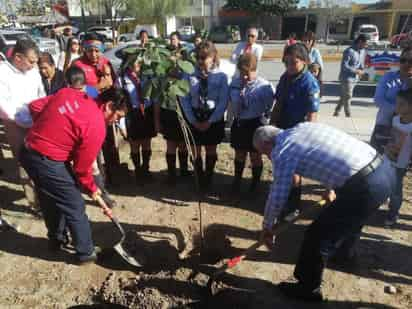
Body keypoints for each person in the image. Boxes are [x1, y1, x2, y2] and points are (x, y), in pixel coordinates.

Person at [253, 123, 395, 302]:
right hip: (384, 172)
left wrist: (267, 226)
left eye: (264, 153)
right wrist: (331, 187)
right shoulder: (303, 127)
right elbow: (329, 154)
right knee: (351, 219)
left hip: (365, 185)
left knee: (317, 236)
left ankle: (308, 288)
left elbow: (278, 193)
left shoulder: (283, 151)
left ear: (267, 143)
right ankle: (344, 255)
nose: (268, 157)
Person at [19, 67, 128, 264]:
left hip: (28, 152)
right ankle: (86, 253)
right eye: (118, 117)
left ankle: (57, 239)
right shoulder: (96, 125)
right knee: (74, 203)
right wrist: (93, 189)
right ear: (109, 106)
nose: (116, 122)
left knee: (50, 195)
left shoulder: (69, 93)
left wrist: (50, 127)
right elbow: (82, 170)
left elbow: (35, 106)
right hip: (47, 159)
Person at [270, 43, 320, 220]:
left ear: (305, 61)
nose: (290, 66)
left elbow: (312, 115)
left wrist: (306, 138)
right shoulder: (285, 78)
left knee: (294, 172)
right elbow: (278, 103)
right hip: (282, 129)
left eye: (294, 62)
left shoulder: (310, 83)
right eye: (287, 62)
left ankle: (293, 206)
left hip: (299, 133)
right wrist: (272, 125)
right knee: (281, 167)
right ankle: (281, 199)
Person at [0, 39, 46, 209]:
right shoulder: (2, 73)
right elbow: (4, 105)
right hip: (15, 124)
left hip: (37, 121)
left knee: (43, 158)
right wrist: (24, 121)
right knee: (24, 162)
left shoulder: (33, 72)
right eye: (31, 61)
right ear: (18, 57)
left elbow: (41, 92)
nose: (35, 66)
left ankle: (46, 194)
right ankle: (35, 203)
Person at [181, 41, 229, 189]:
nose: (201, 61)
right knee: (195, 149)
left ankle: (208, 176)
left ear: (213, 57)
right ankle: (199, 175)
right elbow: (185, 99)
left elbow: (223, 101)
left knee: (210, 149)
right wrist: (192, 120)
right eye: (198, 57)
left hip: (213, 117)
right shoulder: (189, 75)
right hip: (194, 115)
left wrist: (211, 121)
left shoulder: (221, 76)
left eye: (204, 57)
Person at [229, 54, 275, 193]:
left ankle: (255, 183)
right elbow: (232, 103)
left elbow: (269, 106)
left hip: (256, 123)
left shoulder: (264, 86)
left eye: (247, 74)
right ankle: (237, 180)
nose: (244, 77)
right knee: (239, 153)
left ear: (255, 70)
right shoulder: (235, 83)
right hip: (240, 122)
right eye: (242, 73)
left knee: (255, 156)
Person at [155, 32, 192, 184]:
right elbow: (158, 99)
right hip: (169, 112)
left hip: (183, 112)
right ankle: (171, 174)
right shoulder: (163, 77)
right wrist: (157, 120)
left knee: (183, 144)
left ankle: (183, 171)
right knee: (171, 144)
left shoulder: (186, 75)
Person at [117, 53, 156, 184]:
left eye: (138, 61)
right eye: (133, 61)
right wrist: (121, 125)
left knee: (146, 142)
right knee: (134, 144)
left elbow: (154, 97)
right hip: (131, 114)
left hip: (146, 112)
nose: (136, 64)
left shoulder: (147, 76)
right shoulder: (122, 79)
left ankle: (146, 169)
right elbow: (119, 103)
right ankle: (138, 170)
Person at [370, 46, 412, 153]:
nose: (407, 64)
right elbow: (378, 100)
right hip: (384, 126)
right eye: (403, 60)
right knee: (376, 159)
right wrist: (399, 111)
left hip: (407, 131)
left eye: (411, 61)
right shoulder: (389, 77)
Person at [382, 89, 412, 226]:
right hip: (387, 158)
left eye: (401, 104)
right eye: (397, 103)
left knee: (396, 188)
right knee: (384, 181)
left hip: (400, 164)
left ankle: (393, 213)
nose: (397, 107)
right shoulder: (395, 119)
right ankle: (383, 199)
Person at [334, 34, 368, 117]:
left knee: (344, 95)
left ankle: (337, 111)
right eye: (365, 44)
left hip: (355, 78)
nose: (366, 46)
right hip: (346, 78)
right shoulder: (349, 51)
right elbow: (344, 66)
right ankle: (348, 114)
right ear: (360, 42)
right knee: (349, 95)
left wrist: (362, 70)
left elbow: (360, 63)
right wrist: (356, 71)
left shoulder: (363, 51)